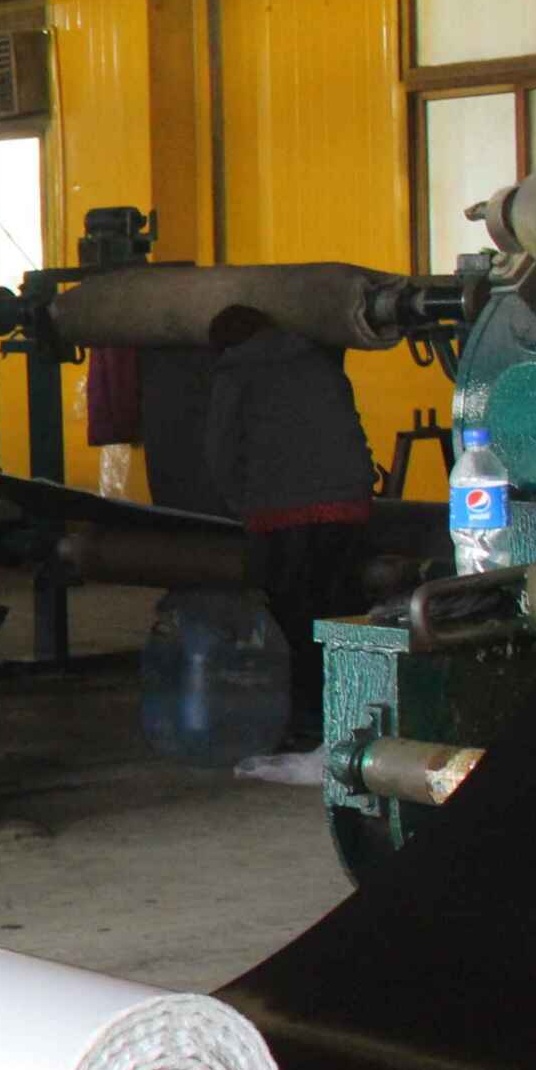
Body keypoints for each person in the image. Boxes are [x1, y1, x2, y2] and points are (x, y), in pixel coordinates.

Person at [200, 311, 376, 749]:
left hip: (281, 513)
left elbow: (220, 449)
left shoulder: (236, 374)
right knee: (344, 616)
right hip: (347, 508)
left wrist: (241, 505)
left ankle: (303, 721)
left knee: (291, 623)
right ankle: (355, 717)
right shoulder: (320, 362)